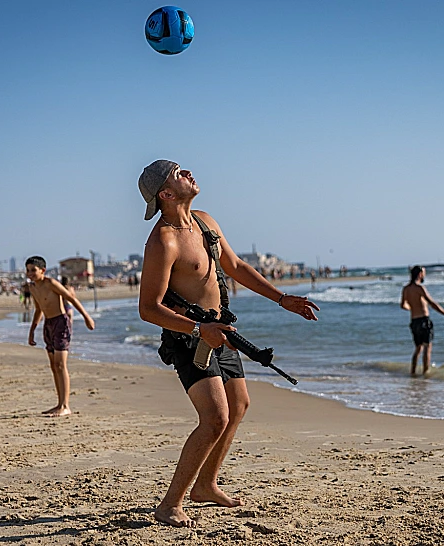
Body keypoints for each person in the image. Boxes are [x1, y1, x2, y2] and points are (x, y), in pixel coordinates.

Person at [137, 160, 320, 528]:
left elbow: (235, 266)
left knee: (238, 406)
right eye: (178, 173)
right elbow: (148, 308)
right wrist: (195, 329)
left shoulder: (205, 221)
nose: (188, 172)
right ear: (166, 194)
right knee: (215, 417)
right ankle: (169, 504)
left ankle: (205, 485)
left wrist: (282, 299)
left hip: (221, 331)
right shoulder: (163, 240)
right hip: (187, 336)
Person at [26, 256, 95, 417]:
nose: (30, 273)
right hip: (48, 325)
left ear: (42, 271)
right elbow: (38, 309)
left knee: (60, 364)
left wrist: (87, 317)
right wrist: (32, 330)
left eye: (33, 270)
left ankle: (65, 405)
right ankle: (59, 404)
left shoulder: (51, 283)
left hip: (61, 324)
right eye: (28, 270)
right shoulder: (32, 287)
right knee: (53, 366)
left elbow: (71, 298)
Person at [400, 266, 444, 377]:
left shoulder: (406, 289)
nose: (424, 275)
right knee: (427, 347)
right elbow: (432, 303)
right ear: (420, 274)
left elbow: (402, 305)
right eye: (424, 273)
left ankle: (413, 372)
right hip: (423, 320)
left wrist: (412, 308)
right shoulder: (420, 288)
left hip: (414, 321)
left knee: (418, 348)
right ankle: (425, 372)